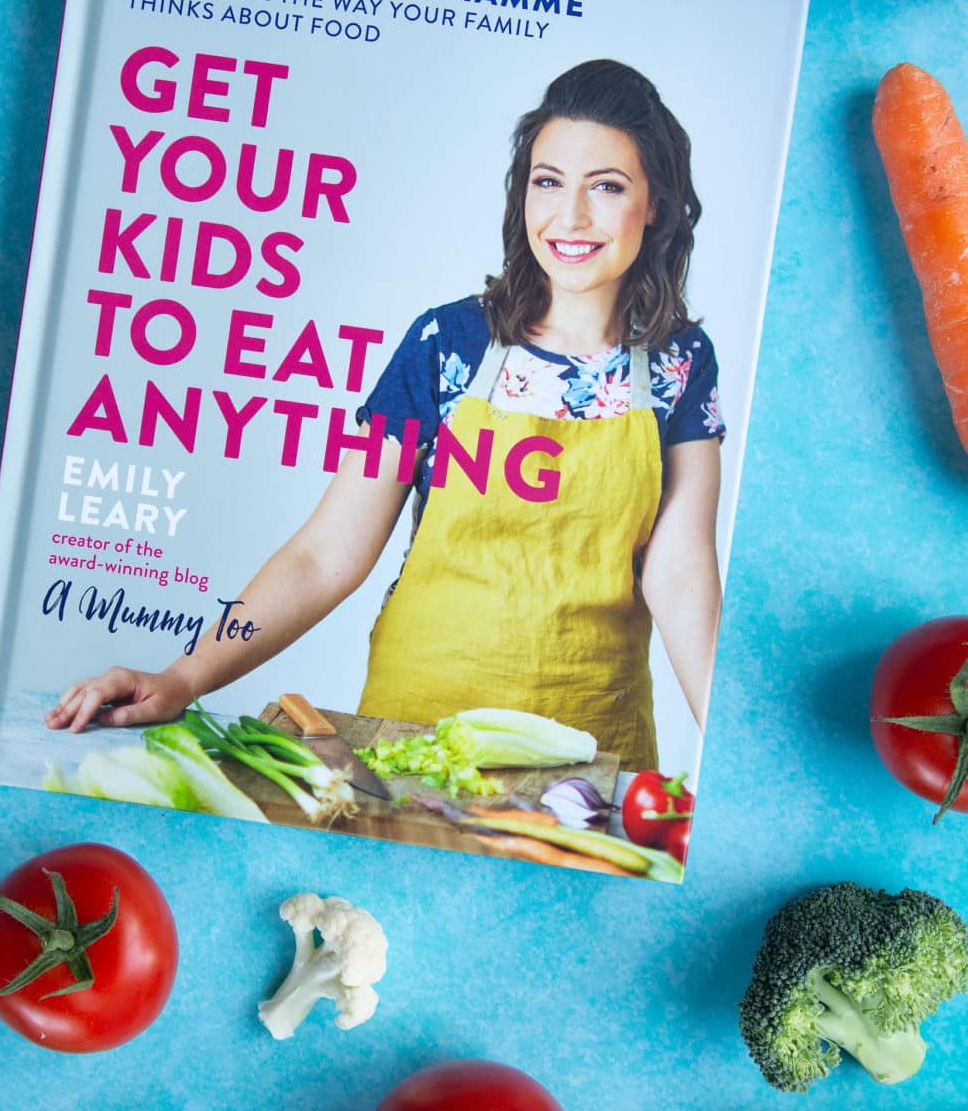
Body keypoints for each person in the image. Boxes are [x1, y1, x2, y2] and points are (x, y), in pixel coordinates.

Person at [47, 58, 724, 773]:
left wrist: (730, 738)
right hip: (416, 733)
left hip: (593, 752)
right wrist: (183, 677)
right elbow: (326, 554)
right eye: (548, 182)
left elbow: (679, 572)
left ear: (655, 203)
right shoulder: (447, 346)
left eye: (607, 187)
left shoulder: (681, 363)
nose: (571, 217)